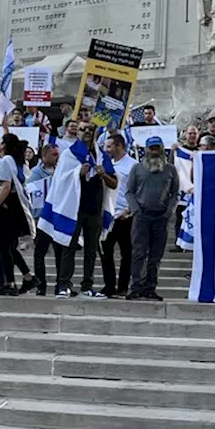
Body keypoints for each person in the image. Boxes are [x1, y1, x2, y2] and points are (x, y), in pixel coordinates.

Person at [55, 121, 117, 299]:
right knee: (69, 246)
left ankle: (87, 285)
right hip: (74, 208)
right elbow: (60, 180)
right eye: (83, 129)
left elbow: (114, 183)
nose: (86, 132)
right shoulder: (69, 155)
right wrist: (78, 173)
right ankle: (64, 284)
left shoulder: (102, 156)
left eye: (90, 129)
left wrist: (103, 173)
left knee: (91, 249)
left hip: (94, 209)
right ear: (77, 132)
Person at [125, 137, 181, 300]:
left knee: (155, 255)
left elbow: (175, 193)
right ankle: (136, 287)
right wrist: (136, 210)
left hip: (161, 217)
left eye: (157, 148)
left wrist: (169, 211)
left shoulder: (170, 170)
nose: (154, 151)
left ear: (162, 149)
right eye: (151, 148)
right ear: (146, 149)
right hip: (141, 216)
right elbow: (129, 192)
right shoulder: (137, 169)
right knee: (138, 253)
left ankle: (150, 287)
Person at [0, 133, 36, 296]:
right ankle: (27, 277)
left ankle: (10, 282)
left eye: (0, 141)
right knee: (8, 247)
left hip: (7, 208)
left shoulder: (6, 160)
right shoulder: (18, 161)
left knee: (4, 247)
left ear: (4, 145)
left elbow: (5, 187)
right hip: (16, 207)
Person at [103, 134, 136, 297]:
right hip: (108, 214)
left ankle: (123, 286)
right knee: (105, 251)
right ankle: (109, 285)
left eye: (109, 146)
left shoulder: (133, 165)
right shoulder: (106, 163)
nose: (106, 149)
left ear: (119, 146)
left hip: (125, 215)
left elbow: (137, 191)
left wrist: (129, 209)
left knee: (126, 252)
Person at [26, 143, 59, 296]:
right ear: (44, 156)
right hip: (42, 218)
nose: (57, 157)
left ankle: (62, 284)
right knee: (40, 252)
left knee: (61, 252)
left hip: (58, 217)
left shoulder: (60, 171)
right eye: (54, 154)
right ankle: (41, 284)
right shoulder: (36, 173)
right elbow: (31, 192)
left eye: (57, 154)